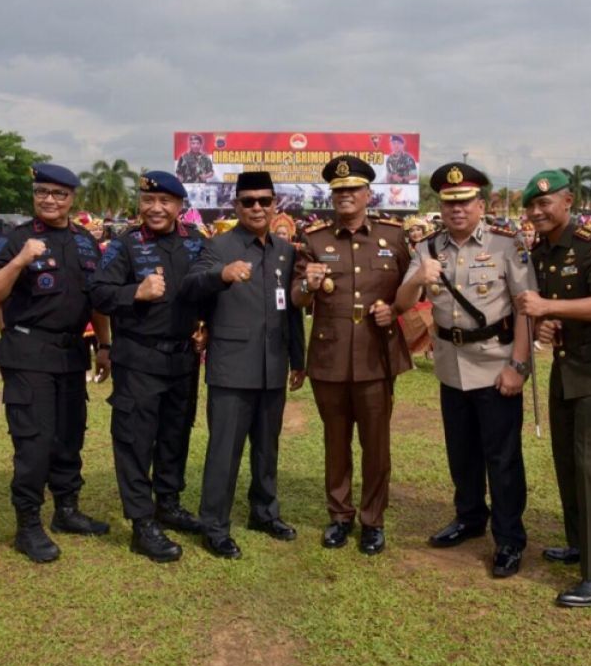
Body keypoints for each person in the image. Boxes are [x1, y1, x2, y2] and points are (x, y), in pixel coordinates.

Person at [394, 163, 534, 577]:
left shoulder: (507, 244)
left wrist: (519, 366)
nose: (457, 209)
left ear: (480, 204)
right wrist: (419, 276)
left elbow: (526, 310)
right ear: (441, 204)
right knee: (462, 454)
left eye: (465, 201)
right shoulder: (427, 248)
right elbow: (402, 304)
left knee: (503, 458)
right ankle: (469, 517)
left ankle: (509, 538)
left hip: (495, 364)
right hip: (450, 366)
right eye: (450, 202)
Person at [0, 163, 112, 563]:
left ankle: (66, 510)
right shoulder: (15, 239)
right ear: (34, 196)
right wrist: (19, 261)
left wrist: (104, 344)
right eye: (42, 193)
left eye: (59, 194)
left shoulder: (86, 241)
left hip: (73, 354)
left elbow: (96, 299)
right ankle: (28, 525)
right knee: (34, 444)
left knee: (70, 437)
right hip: (29, 354)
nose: (50, 201)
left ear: (72, 198)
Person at [177, 171, 307, 558]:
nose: (256, 207)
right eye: (248, 201)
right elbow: (190, 288)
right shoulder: (218, 246)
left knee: (267, 448)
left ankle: (264, 512)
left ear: (274, 204)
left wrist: (298, 358)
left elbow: (293, 311)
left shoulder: (284, 250)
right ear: (236, 206)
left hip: (273, 363)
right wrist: (222, 274)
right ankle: (214, 525)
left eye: (264, 201)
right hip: (232, 367)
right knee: (224, 451)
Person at [516, 169, 591, 607]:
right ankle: (582, 545)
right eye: (532, 205)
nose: (538, 212)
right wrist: (549, 324)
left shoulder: (590, 244)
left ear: (567, 202)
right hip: (567, 368)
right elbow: (561, 310)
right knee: (568, 463)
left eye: (546, 203)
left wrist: (547, 306)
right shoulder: (542, 250)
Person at [291, 155, 413, 555]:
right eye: (339, 191)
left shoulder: (393, 238)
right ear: (332, 196)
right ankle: (339, 515)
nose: (345, 196)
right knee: (335, 440)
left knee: (376, 444)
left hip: (376, 356)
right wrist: (308, 287)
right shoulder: (315, 239)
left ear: (367, 194)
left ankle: (373, 520)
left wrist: (393, 309)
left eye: (353, 190)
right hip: (330, 356)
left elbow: (415, 288)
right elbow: (295, 296)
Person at [89, 171, 208, 562]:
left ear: (179, 206)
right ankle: (142, 523)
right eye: (148, 200)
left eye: (165, 202)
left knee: (176, 434)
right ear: (139, 204)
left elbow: (206, 291)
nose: (156, 208)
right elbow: (99, 293)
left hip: (183, 359)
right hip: (139, 359)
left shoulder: (196, 243)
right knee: (135, 441)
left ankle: (168, 504)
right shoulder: (124, 245)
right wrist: (134, 292)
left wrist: (204, 325)